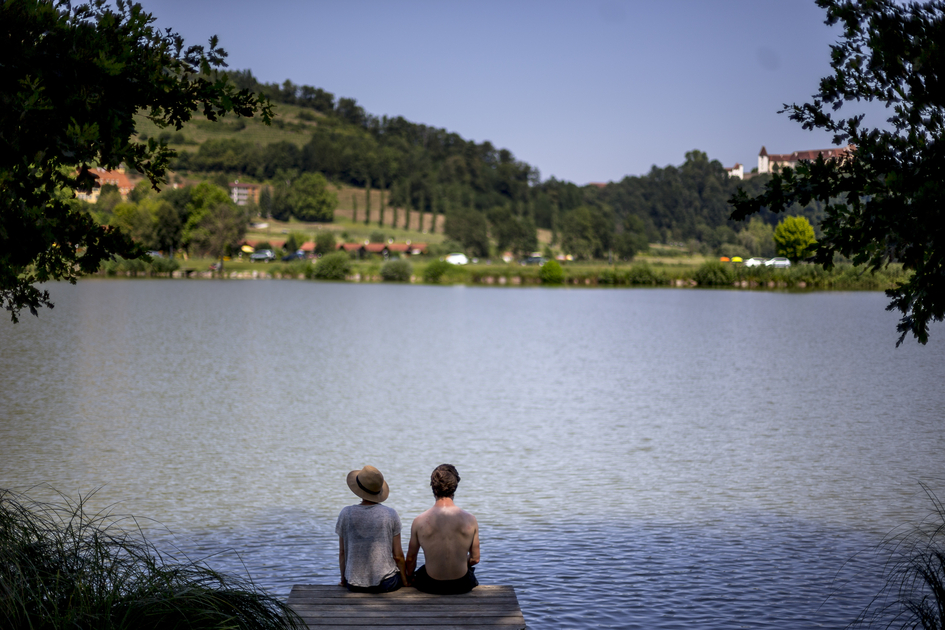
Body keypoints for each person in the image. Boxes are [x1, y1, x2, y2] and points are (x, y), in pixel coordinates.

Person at [406, 464, 480, 594]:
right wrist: (461, 560)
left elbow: (411, 559)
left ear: (433, 487)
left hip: (431, 585)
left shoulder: (419, 521)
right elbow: (475, 559)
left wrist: (409, 577)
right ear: (455, 486)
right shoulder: (470, 519)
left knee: (422, 571)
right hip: (461, 584)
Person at [335, 465, 407, 593]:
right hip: (386, 583)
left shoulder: (346, 513)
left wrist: (343, 579)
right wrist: (405, 580)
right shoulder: (390, 514)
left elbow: (342, 552)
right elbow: (398, 555)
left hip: (353, 583)